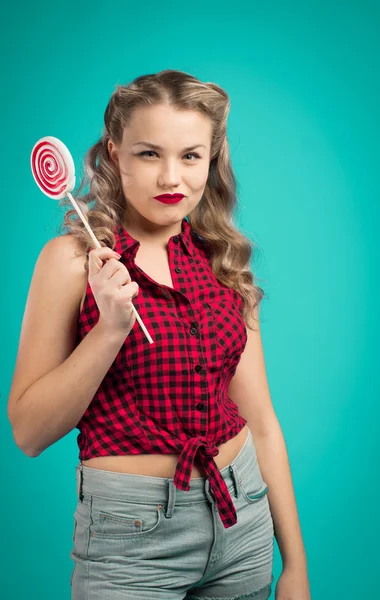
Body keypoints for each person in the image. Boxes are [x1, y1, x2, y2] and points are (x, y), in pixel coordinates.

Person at [7, 70, 310, 599]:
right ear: (113, 155)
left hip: (242, 519)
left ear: (211, 161)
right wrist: (109, 331)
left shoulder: (222, 263)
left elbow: (260, 420)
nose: (172, 178)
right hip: (129, 539)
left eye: (190, 156)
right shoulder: (73, 261)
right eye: (149, 154)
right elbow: (29, 433)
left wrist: (295, 567)